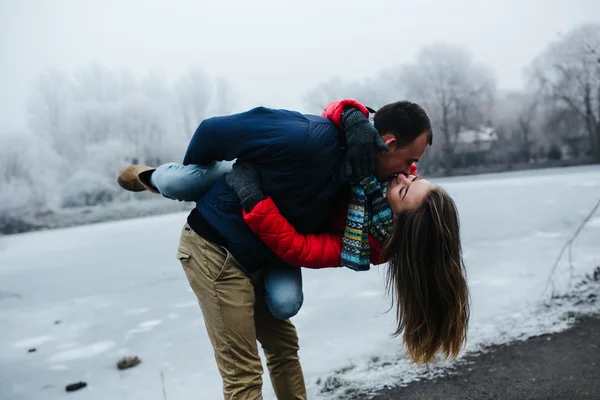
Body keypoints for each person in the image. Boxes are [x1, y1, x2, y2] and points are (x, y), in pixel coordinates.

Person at [117, 99, 446, 399]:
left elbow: (301, 250)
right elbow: (212, 131)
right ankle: (161, 177)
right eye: (411, 166)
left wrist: (253, 198)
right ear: (388, 144)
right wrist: (355, 116)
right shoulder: (313, 141)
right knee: (244, 375)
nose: (408, 173)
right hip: (218, 243)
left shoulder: (371, 226)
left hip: (269, 240)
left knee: (285, 324)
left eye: (411, 175)